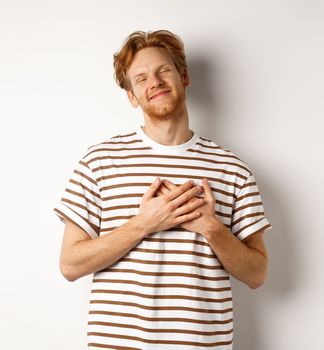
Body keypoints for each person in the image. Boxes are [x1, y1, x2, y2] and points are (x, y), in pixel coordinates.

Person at [53, 29, 272, 349]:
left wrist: (212, 228)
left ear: (184, 77)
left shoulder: (232, 168)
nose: (153, 81)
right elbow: (70, 265)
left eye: (163, 70)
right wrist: (144, 223)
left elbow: (257, 274)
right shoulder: (100, 161)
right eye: (140, 78)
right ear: (131, 96)